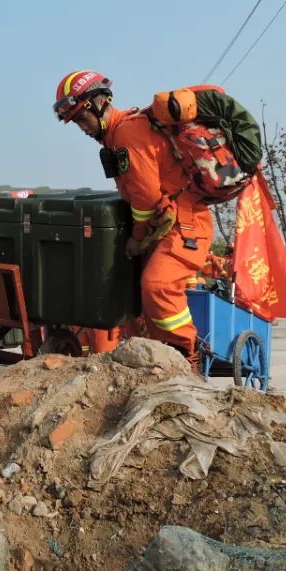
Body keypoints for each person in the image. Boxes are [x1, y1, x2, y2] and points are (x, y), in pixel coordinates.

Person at [53, 70, 213, 362]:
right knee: (139, 304)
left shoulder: (127, 132)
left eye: (82, 118)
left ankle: (189, 361)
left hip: (184, 227)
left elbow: (146, 201)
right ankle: (160, 364)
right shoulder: (115, 138)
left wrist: (136, 241)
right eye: (75, 122)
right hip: (165, 227)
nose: (82, 128)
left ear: (100, 103)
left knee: (158, 287)